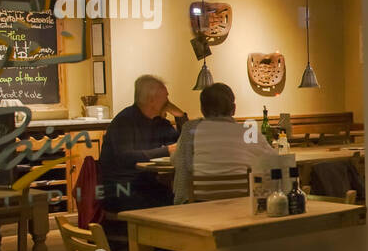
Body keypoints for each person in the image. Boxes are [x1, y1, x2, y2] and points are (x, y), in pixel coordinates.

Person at [98, 74, 187, 212]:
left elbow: (182, 143)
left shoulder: (160, 122)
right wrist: (166, 150)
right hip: (121, 188)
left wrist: (180, 116)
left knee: (181, 200)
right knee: (166, 203)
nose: (168, 102)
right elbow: (125, 157)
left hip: (145, 184)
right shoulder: (124, 121)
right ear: (152, 100)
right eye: (165, 98)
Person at [171, 83, 271, 204]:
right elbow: (273, 159)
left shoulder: (191, 129)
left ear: (202, 109)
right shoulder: (248, 132)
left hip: (198, 204)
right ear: (233, 108)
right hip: (241, 202)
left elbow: (178, 160)